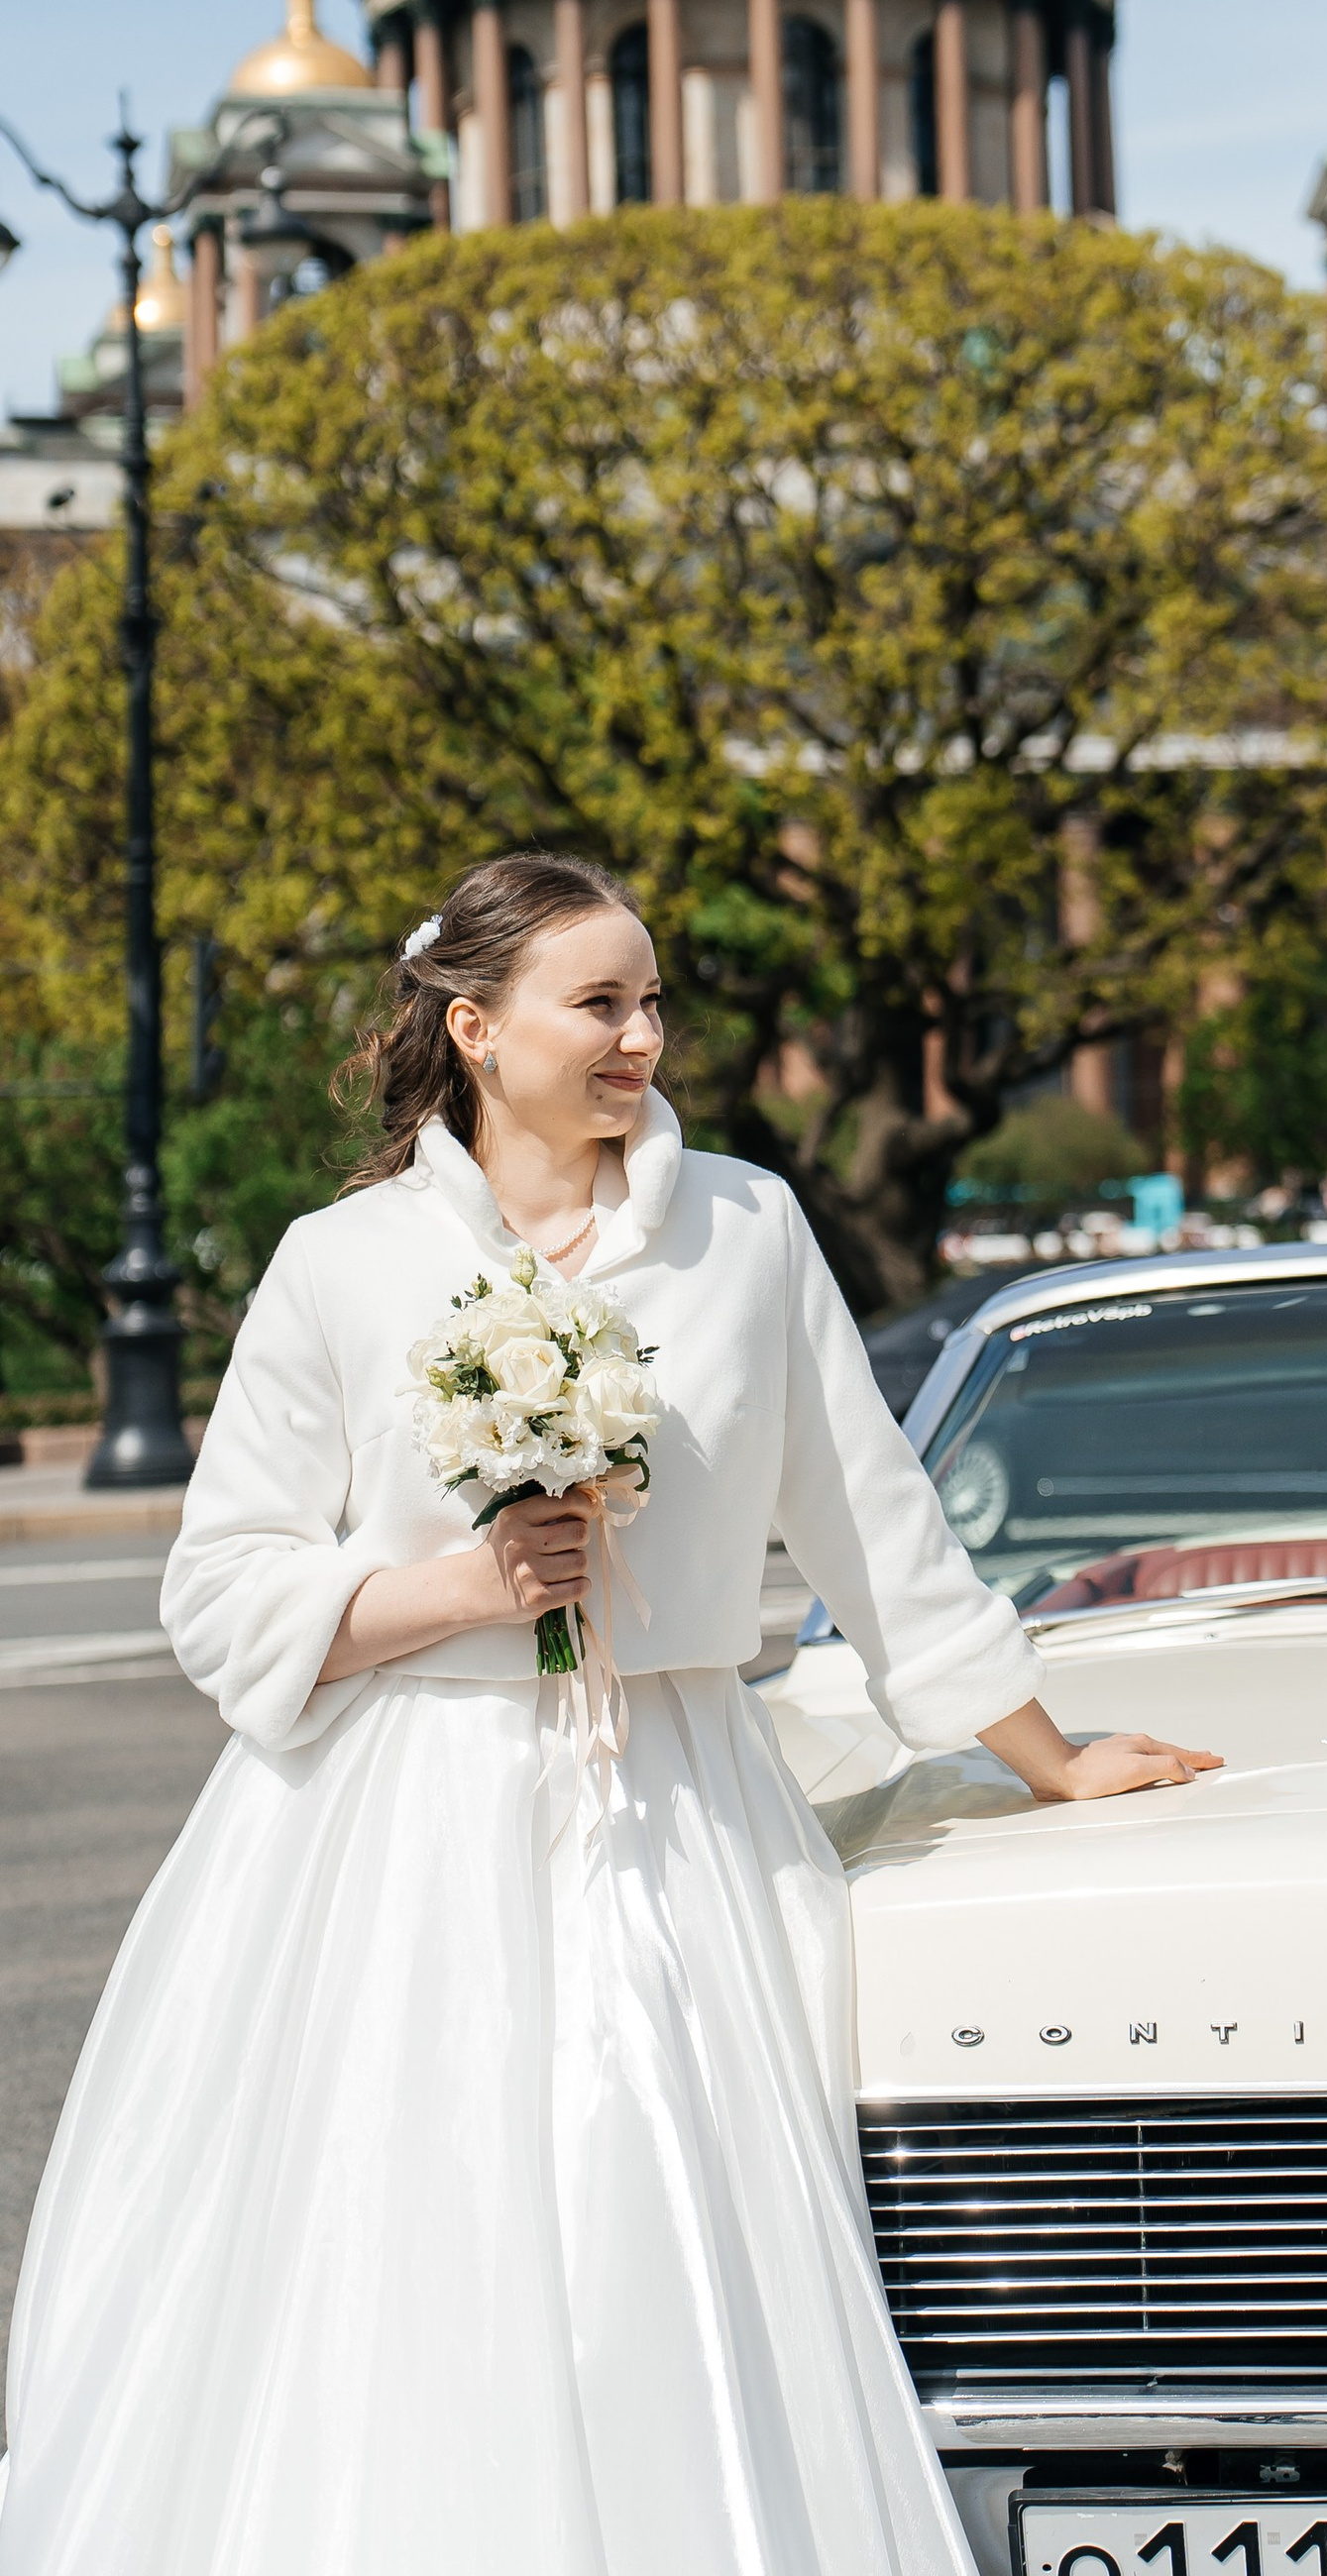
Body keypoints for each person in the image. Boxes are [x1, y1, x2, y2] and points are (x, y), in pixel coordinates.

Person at [0, 851, 1219, 2576]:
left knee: (670, 2245)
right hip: (390, 1832)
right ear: (477, 1029)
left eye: (656, 1003)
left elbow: (876, 1519)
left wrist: (1045, 1753)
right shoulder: (339, 1265)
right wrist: (467, 1591)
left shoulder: (748, 1228)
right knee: (413, 2263)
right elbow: (220, 1591)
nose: (645, 1036)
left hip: (684, 1805)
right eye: (602, 1004)